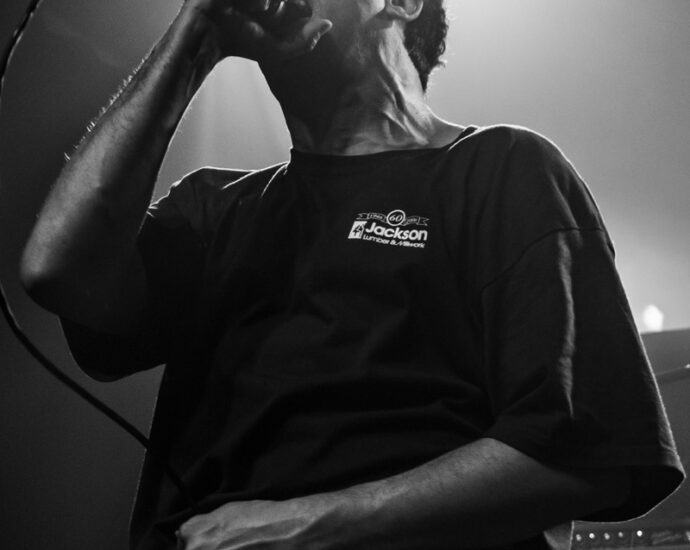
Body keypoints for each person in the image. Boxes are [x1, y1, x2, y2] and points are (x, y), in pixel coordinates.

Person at [19, 1, 684, 549]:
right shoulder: (216, 208)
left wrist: (309, 527)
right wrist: (196, 35)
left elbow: (587, 455)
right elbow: (55, 270)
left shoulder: (501, 168)